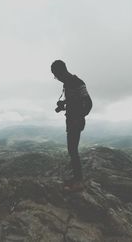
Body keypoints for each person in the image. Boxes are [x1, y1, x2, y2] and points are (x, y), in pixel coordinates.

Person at [51, 60, 92, 192]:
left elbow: (88, 103)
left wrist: (79, 118)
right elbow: (75, 101)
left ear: (61, 72)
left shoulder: (77, 83)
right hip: (71, 120)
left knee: (73, 150)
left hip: (76, 121)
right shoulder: (68, 84)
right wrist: (63, 104)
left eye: (56, 75)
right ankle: (76, 178)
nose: (56, 78)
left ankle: (78, 180)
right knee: (71, 149)